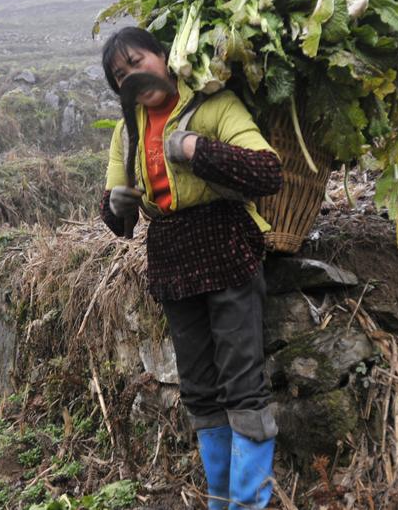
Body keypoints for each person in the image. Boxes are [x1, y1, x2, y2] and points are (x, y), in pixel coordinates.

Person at [99, 26, 283, 509]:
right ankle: (219, 502)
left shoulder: (215, 105)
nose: (132, 77)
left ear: (164, 55)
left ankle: (249, 504)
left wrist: (194, 149)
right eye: (120, 76)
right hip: (172, 261)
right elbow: (118, 222)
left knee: (243, 385)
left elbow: (268, 172)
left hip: (226, 248)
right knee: (201, 391)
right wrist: (117, 205)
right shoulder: (127, 130)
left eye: (137, 62)